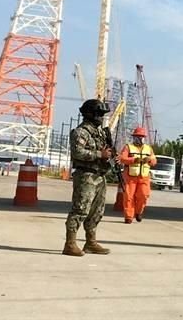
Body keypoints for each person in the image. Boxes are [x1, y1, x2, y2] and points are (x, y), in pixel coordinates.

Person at [63, 99, 113, 257]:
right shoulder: (81, 132)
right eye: (98, 114)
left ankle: (90, 242)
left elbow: (106, 151)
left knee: (96, 211)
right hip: (86, 176)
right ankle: (70, 244)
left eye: (102, 115)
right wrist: (100, 154)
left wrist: (111, 156)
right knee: (80, 209)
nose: (100, 117)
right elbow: (77, 152)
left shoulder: (100, 133)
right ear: (89, 114)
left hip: (99, 176)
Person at [119, 126, 156, 223]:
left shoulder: (149, 149)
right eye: (137, 136)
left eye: (141, 136)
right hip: (130, 176)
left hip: (144, 177)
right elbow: (122, 158)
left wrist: (149, 160)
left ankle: (139, 212)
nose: (139, 138)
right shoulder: (128, 147)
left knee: (144, 195)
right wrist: (134, 160)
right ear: (133, 137)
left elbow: (154, 161)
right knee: (128, 196)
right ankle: (128, 216)